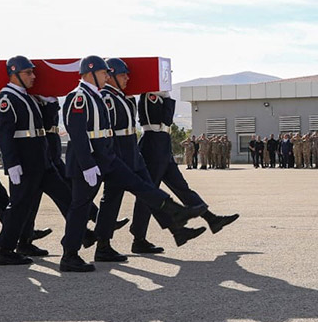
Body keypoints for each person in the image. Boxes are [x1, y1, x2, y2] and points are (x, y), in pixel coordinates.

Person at [59, 56, 207, 272]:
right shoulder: (79, 97)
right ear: (90, 72)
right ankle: (69, 255)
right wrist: (87, 164)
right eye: (103, 73)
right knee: (80, 208)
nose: (106, 77)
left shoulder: (96, 96)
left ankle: (177, 212)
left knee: (142, 186)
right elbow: (78, 133)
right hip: (89, 163)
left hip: (108, 159)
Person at [130, 86, 238, 253]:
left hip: (162, 144)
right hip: (153, 145)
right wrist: (166, 98)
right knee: (149, 194)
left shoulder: (158, 96)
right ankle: (139, 238)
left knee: (181, 187)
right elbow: (166, 119)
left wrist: (166, 97)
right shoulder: (150, 95)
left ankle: (211, 219)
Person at [0, 56, 74, 265]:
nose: (33, 76)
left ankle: (78, 239)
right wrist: (11, 164)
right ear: (14, 73)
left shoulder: (27, 97)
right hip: (25, 163)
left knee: (68, 197)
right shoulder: (7, 98)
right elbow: (5, 134)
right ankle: (5, 250)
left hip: (42, 162)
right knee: (19, 206)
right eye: (28, 73)